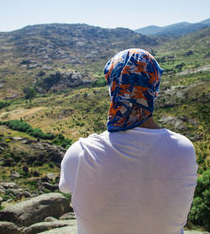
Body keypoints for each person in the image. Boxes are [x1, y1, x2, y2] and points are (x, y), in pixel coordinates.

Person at [59, 48, 198, 234]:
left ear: (113, 89)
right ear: (154, 90)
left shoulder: (81, 153)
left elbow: (65, 188)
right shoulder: (183, 150)